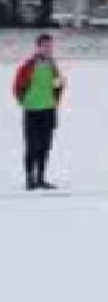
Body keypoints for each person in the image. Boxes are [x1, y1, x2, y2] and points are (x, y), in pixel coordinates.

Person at [13, 34, 65, 190]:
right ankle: (30, 179)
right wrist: (24, 101)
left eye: (50, 46)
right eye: (45, 46)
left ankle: (41, 178)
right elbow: (17, 86)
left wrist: (59, 88)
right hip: (32, 111)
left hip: (49, 110)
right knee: (31, 146)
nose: (48, 49)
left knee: (45, 146)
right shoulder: (28, 65)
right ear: (38, 47)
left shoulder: (52, 65)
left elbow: (57, 86)